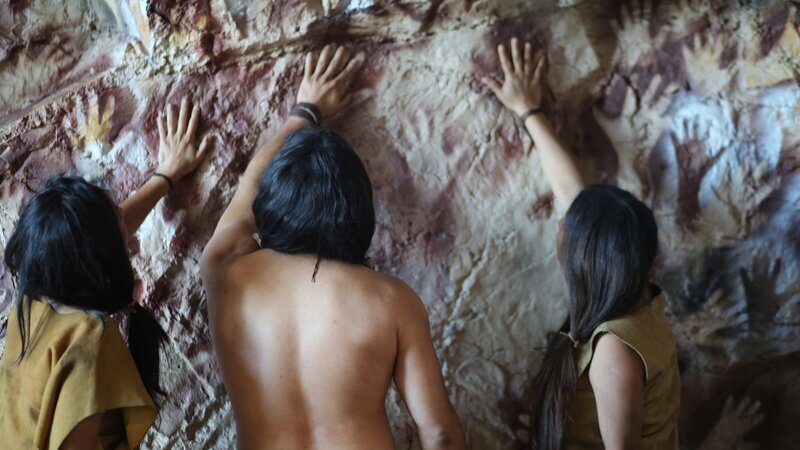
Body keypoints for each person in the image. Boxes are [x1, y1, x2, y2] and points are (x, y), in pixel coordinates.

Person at [200, 44, 466, 450]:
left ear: (272, 203)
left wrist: (304, 111)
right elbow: (440, 435)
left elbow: (248, 185)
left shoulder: (225, 271)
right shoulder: (393, 301)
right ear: (358, 212)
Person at [482, 38, 680, 449]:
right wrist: (528, 110)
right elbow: (576, 196)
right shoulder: (640, 298)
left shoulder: (614, 350)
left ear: (584, 258)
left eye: (564, 227)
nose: (559, 226)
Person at [0, 97, 210, 449]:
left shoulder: (33, 301)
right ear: (102, 258)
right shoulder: (88, 342)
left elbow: (111, 230)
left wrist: (166, 176)